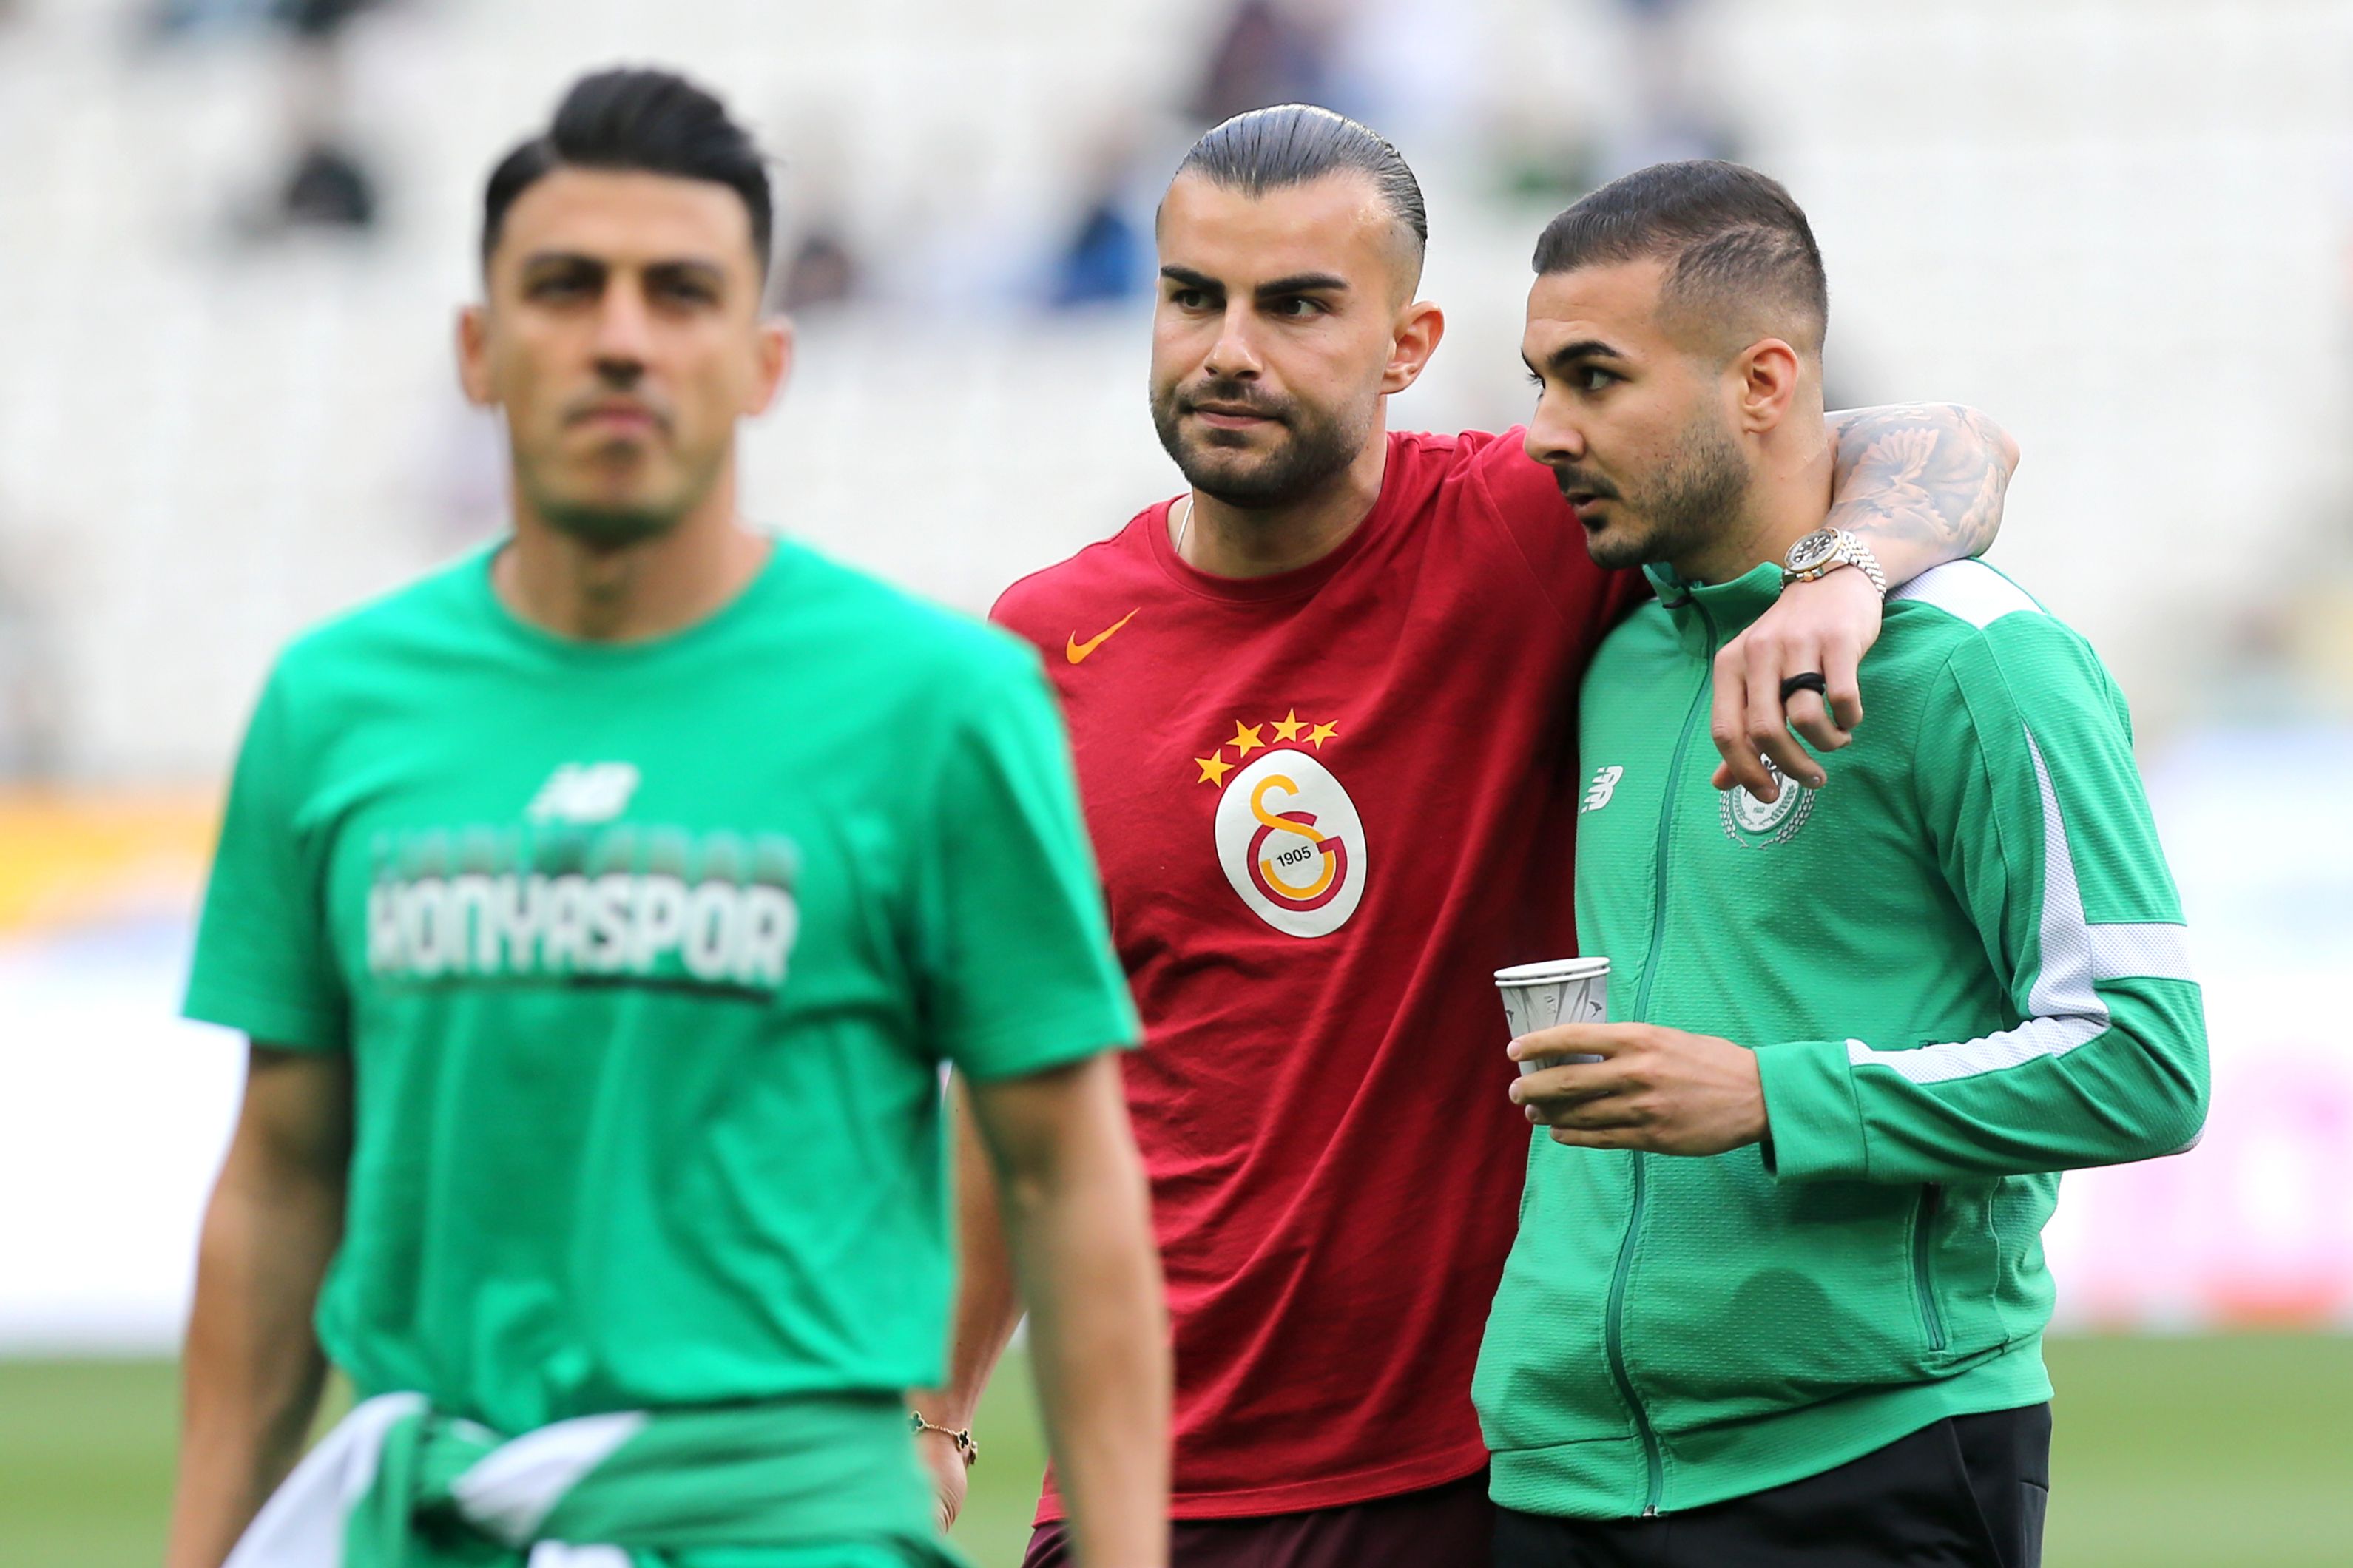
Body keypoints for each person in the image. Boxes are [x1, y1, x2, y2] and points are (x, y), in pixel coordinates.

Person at [921, 104, 2020, 1568]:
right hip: (1156, 1478)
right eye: (1192, 297)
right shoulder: (1048, 644)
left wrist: (1838, 573)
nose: (1228, 349)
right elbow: (1018, 1069)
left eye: (1296, 305)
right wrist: (933, 1410)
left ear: (1408, 345)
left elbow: (1950, 441)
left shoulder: (1526, 529)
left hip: (1495, 1475)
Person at [163, 68, 1169, 1568]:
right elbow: (280, 1179)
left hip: (789, 1532)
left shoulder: (941, 704)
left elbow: (1067, 1181)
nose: (622, 336)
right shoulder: (336, 705)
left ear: (765, 360)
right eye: (566, 286)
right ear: (477, 348)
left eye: (681, 292)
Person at [1480, 159, 2208, 1568]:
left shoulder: (1982, 661)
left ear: (1762, 382)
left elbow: (2142, 1058)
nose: (1544, 432)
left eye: (1594, 378)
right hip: (1558, 1474)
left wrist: (1773, 1096)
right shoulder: (1613, 647)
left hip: (1866, 1452)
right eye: (1539, 381)